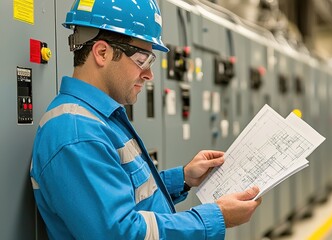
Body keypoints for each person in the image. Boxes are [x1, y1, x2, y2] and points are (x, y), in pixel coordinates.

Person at [30, 0, 262, 239]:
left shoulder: (101, 120)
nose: (149, 74)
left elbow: (127, 195)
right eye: (142, 60)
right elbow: (121, 233)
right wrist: (217, 217)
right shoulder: (76, 134)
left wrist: (183, 178)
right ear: (102, 53)